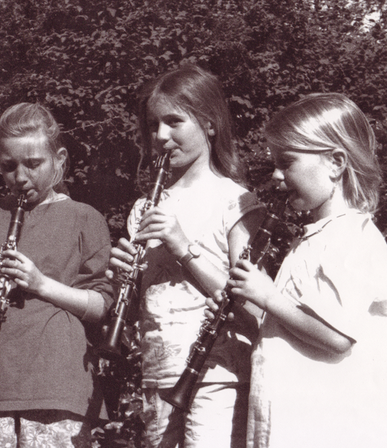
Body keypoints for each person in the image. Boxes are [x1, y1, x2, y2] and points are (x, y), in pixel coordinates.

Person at [219, 93, 387, 448]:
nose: (278, 177)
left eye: (288, 163)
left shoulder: (350, 237)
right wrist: (248, 310)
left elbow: (336, 335)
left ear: (336, 162)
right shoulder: (314, 238)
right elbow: (294, 324)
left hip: (331, 428)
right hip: (296, 425)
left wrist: (266, 295)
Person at [108, 63, 265, 448]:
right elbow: (139, 302)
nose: (160, 136)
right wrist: (121, 279)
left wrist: (182, 246)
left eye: (174, 122)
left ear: (210, 124)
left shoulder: (236, 201)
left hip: (218, 371)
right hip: (158, 371)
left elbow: (248, 300)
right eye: (152, 124)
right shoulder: (146, 206)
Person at [0, 102, 114, 447]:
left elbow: (100, 307)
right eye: (9, 167)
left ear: (60, 159)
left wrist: (40, 284)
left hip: (59, 386)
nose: (20, 177)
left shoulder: (85, 218)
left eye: (33, 164)